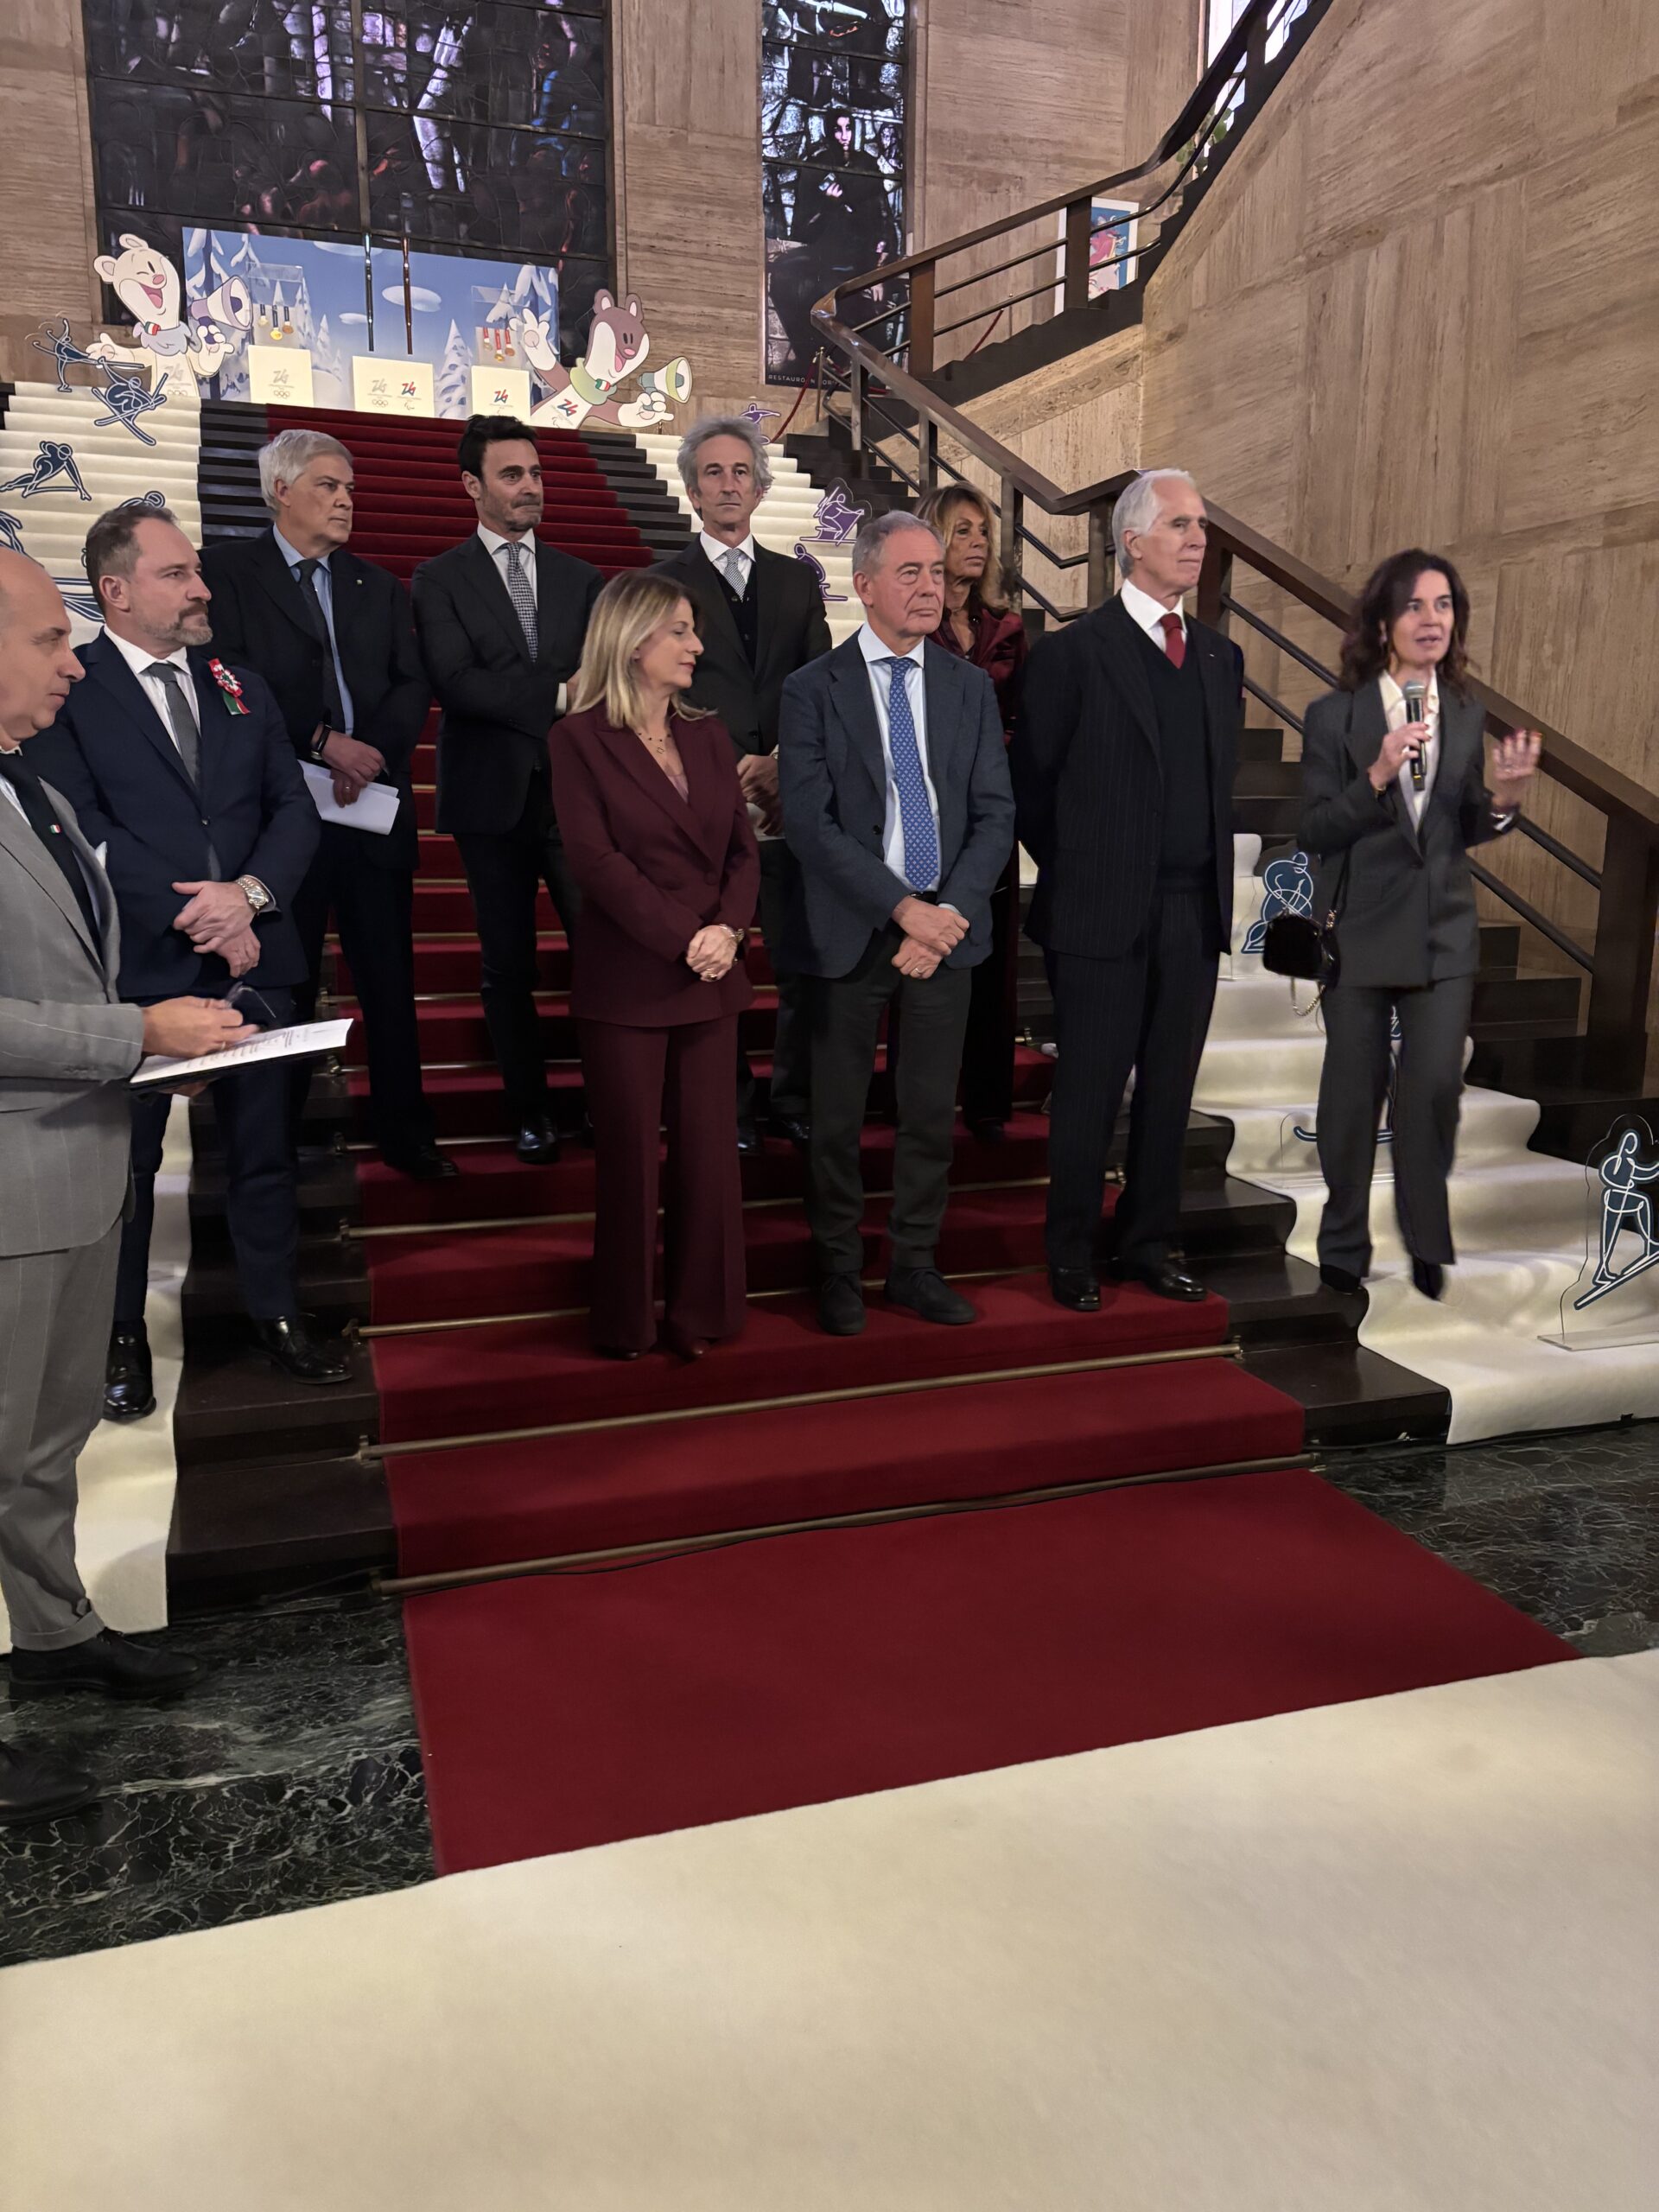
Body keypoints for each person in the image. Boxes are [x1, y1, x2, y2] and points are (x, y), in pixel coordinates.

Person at [0, 550, 252, 1825]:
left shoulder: (32, 786)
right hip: (13, 1181)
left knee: (45, 1443)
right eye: (50, 639)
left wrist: (164, 1041)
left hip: (73, 1167)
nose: (73, 661)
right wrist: (134, 1035)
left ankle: (50, 1630)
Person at [31, 506, 347, 1402]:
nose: (201, 588)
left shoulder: (240, 683)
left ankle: (275, 1314)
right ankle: (118, 1333)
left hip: (258, 958)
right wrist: (202, 912)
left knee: (264, 1152)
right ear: (116, 591)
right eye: (176, 575)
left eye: (197, 571)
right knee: (126, 1167)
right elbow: (78, 824)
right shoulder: (71, 685)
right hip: (137, 971)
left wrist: (248, 897)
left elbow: (293, 807)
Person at [779, 512, 1014, 1338]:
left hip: (946, 932)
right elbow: (810, 825)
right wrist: (901, 907)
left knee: (928, 1116)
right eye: (909, 573)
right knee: (837, 1120)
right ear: (865, 586)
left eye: (936, 572)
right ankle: (839, 1270)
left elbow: (995, 815)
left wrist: (946, 913)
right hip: (853, 931)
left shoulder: (969, 688)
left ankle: (914, 1265)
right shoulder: (813, 689)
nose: (929, 587)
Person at [1012, 467, 1243, 1313]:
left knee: (1170, 1093)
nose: (1197, 539)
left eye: (1201, 525)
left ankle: (1146, 1241)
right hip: (1099, 911)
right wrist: (1087, 872)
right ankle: (1071, 1251)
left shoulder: (1220, 656)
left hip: (1193, 908)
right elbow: (1031, 787)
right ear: (1132, 540)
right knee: (1090, 1091)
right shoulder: (1073, 653)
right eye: (1180, 524)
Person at [200, 428, 451, 1181]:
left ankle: (406, 1134)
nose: (345, 501)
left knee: (389, 981)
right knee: (285, 982)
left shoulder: (378, 584)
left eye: (349, 489)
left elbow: (411, 680)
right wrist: (319, 740)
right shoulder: (227, 572)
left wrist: (370, 751)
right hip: (280, 815)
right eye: (328, 486)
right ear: (281, 491)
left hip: (369, 806)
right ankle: (275, 1142)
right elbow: (223, 674)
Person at [1300, 550, 1539, 1300]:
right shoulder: (1333, 715)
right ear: (1382, 623)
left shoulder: (1465, 712)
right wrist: (1375, 776)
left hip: (1443, 930)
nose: (1432, 620)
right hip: (1359, 928)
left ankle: (1427, 1239)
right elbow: (1314, 829)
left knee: (1434, 1087)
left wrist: (1503, 800)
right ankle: (1343, 1241)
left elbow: (1462, 825)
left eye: (1443, 606)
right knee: (1352, 1095)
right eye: (1414, 606)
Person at [548, 573, 760, 1361]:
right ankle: (628, 1322)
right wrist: (687, 937)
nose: (697, 645)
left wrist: (727, 930)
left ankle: (701, 1313)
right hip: (631, 978)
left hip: (713, 971)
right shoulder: (577, 740)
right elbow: (596, 863)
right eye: (681, 630)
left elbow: (743, 851)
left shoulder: (709, 734)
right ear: (634, 640)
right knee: (631, 1163)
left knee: (709, 1159)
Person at [411, 415, 602, 1166]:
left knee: (602, 954)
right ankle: (531, 1113)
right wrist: (556, 695)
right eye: (512, 475)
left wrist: (551, 692)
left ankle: (607, 1101)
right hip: (490, 799)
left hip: (576, 796)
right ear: (473, 485)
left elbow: (600, 679)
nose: (531, 487)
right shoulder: (439, 578)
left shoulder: (581, 579)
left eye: (536, 473)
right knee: (507, 965)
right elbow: (457, 682)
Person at [657, 414, 832, 1154]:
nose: (729, 485)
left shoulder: (798, 579)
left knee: (800, 962)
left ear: (760, 489)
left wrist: (784, 765)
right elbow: (661, 692)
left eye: (741, 472)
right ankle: (728, 1108)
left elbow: (822, 685)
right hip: (703, 801)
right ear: (693, 491)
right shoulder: (664, 583)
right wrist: (731, 769)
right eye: (714, 473)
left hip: (788, 801)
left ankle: (792, 1098)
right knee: (713, 963)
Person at [915, 482, 1029, 1142]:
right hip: (926, 814)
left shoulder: (1007, 628)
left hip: (992, 814)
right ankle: (919, 1099)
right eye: (963, 530)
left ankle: (987, 1102)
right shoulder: (912, 623)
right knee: (928, 953)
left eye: (983, 531)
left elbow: (1024, 722)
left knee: (993, 959)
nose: (979, 542)